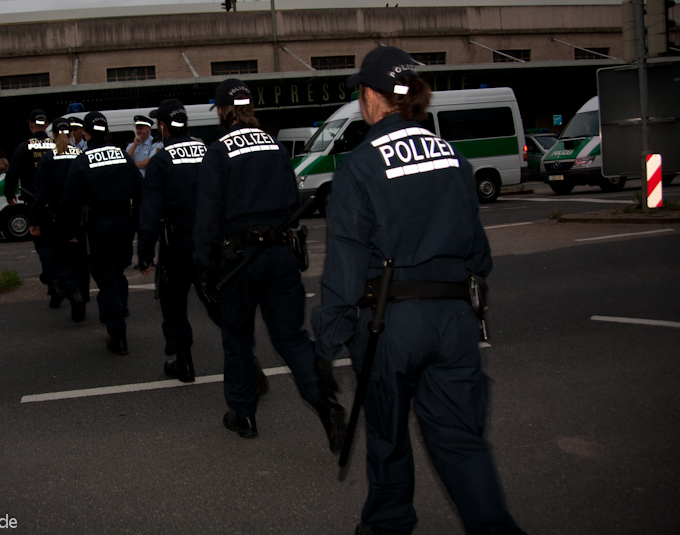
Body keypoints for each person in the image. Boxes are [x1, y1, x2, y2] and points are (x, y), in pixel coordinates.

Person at [312, 47, 526, 535]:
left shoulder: (360, 166)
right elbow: (478, 254)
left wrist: (327, 340)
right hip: (454, 319)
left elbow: (345, 268)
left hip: (390, 324)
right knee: (463, 443)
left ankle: (387, 525)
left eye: (361, 94)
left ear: (372, 97)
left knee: (387, 441)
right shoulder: (453, 157)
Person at [193, 78, 347, 451]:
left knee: (237, 338)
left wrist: (205, 270)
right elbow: (292, 200)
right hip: (280, 253)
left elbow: (208, 217)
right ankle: (324, 404)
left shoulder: (218, 151)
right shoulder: (275, 146)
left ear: (222, 111)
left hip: (239, 260)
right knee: (291, 338)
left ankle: (243, 414)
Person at [137, 99, 221, 382]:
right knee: (215, 298)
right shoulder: (207, 151)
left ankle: (183, 362)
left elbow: (149, 214)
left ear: (163, 126)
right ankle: (244, 352)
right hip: (210, 241)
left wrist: (145, 255)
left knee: (173, 301)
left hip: (177, 245)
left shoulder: (161, 160)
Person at [60, 111, 142, 355]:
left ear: (85, 134)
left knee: (107, 279)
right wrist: (138, 224)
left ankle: (117, 333)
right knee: (117, 274)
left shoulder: (82, 160)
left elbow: (69, 201)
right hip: (124, 224)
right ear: (106, 132)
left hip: (98, 226)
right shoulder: (122, 156)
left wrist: (69, 233)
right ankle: (119, 313)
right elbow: (140, 190)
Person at [30, 117, 88, 321]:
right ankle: (82, 299)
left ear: (53, 135)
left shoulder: (48, 158)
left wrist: (34, 219)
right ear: (71, 134)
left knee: (59, 258)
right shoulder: (80, 155)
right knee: (80, 260)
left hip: (55, 217)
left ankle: (73, 293)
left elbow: (41, 192)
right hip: (78, 216)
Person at [5, 109, 59, 305]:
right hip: (59, 202)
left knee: (43, 243)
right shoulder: (57, 144)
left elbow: (12, 173)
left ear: (30, 125)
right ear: (47, 125)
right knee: (60, 243)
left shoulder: (23, 147)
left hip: (35, 202)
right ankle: (61, 280)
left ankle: (53, 282)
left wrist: (9, 194)